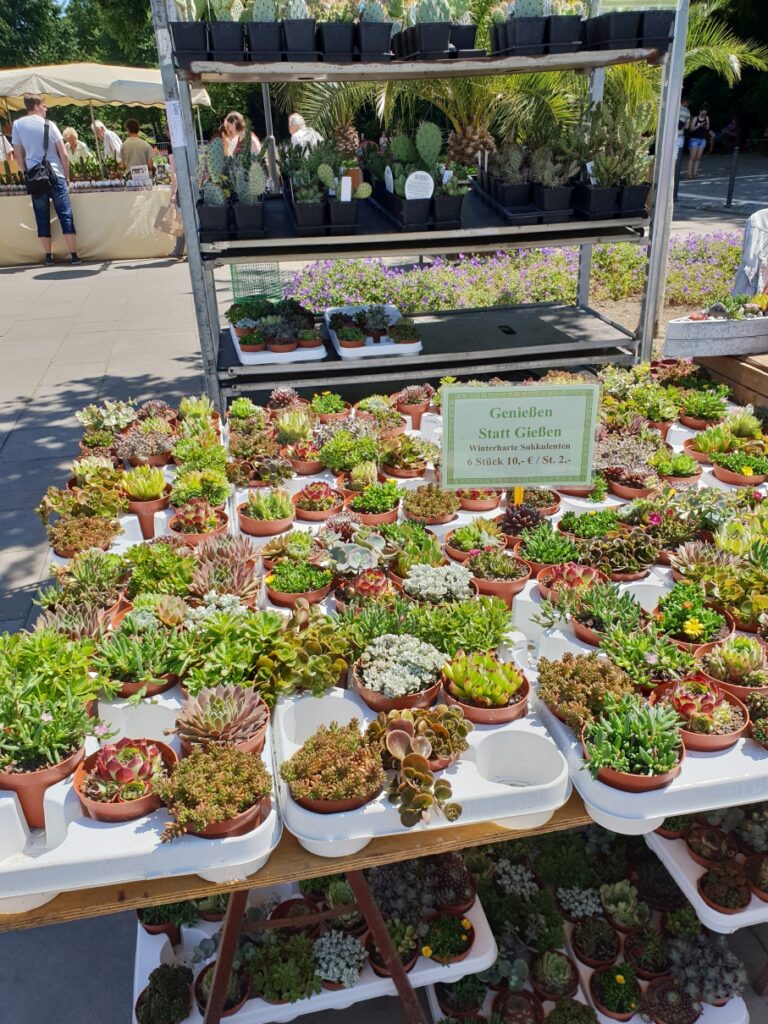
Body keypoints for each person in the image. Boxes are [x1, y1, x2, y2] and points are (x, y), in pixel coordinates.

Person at [11, 96, 79, 265]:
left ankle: (48, 256)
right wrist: (67, 176)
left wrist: (26, 171)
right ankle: (73, 254)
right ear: (36, 106)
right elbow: (63, 154)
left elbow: (17, 154)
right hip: (56, 174)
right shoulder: (49, 124)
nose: (46, 109)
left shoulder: (18, 125)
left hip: (35, 176)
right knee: (65, 214)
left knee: (41, 217)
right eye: (43, 105)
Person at [687, 106, 710, 179]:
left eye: (705, 114)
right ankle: (689, 173)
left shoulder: (707, 118)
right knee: (692, 157)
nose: (704, 115)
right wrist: (699, 125)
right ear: (700, 112)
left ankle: (695, 172)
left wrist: (705, 126)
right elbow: (691, 129)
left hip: (702, 139)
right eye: (703, 113)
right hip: (694, 139)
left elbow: (708, 128)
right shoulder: (695, 118)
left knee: (698, 157)